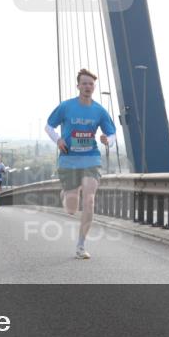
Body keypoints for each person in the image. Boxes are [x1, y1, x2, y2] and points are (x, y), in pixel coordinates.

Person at [45, 68, 116, 259]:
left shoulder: (99, 110)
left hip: (91, 159)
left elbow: (112, 133)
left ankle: (81, 246)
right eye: (84, 83)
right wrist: (58, 140)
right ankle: (66, 193)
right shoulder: (66, 106)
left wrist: (108, 141)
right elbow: (48, 125)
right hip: (68, 160)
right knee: (71, 208)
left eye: (91, 84)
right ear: (78, 86)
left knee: (90, 199)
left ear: (94, 87)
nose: (87, 86)